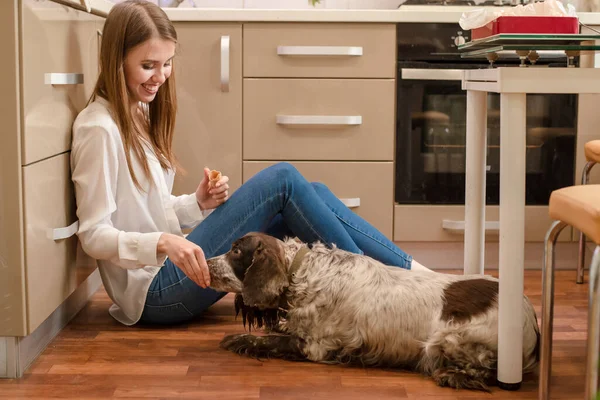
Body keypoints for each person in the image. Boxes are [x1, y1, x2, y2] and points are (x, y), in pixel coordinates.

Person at [70, 0, 431, 327]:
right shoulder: (98, 129)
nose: (160, 77)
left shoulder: (138, 112)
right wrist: (164, 242)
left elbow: (145, 210)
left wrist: (195, 204)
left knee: (312, 193)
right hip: (154, 292)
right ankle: (376, 293)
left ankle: (417, 278)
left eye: (166, 64)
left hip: (174, 270)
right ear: (116, 60)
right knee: (284, 180)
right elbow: (94, 235)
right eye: (147, 65)